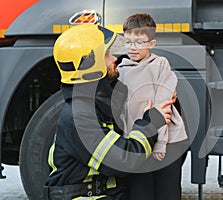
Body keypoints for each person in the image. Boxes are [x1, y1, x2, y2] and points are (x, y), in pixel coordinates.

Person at [43, 23, 175, 200]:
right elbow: (124, 160)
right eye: (106, 54)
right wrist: (150, 122)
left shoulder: (95, 104)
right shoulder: (79, 117)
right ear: (91, 64)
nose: (114, 59)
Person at [117, 13, 188, 200]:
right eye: (128, 42)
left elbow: (162, 104)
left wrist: (160, 143)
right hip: (137, 142)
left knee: (167, 191)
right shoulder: (120, 70)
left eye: (140, 42)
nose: (133, 47)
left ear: (151, 44)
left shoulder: (160, 65)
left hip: (165, 142)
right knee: (140, 192)